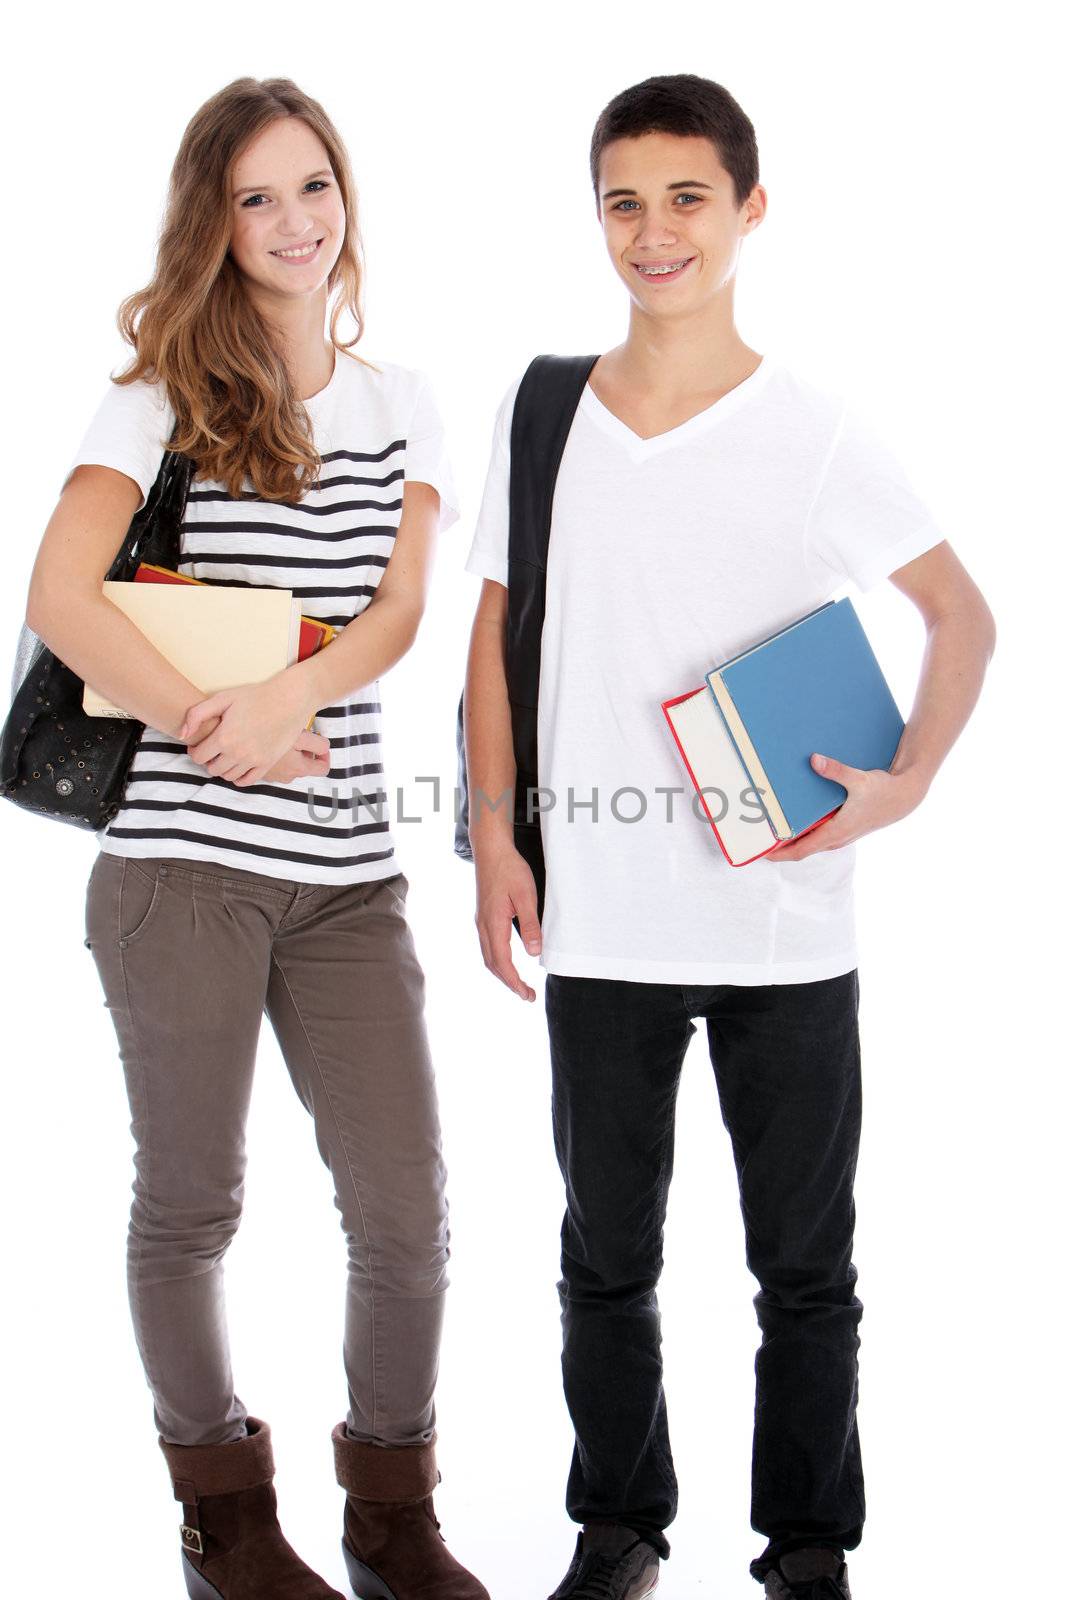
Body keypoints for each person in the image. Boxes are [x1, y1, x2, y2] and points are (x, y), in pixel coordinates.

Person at [462, 73, 995, 1600]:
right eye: (624, 200)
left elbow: (964, 614)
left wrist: (912, 778)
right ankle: (618, 1528)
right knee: (603, 1260)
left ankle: (808, 1549)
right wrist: (498, 846)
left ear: (750, 213)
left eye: (687, 197)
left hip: (784, 922)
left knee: (805, 1275)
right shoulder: (546, 410)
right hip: (604, 920)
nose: (653, 232)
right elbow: (496, 641)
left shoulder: (818, 431)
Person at [25, 76, 488, 1600]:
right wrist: (213, 722)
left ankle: (392, 1512)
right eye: (256, 198)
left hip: (350, 874)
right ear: (212, 225)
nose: (295, 223)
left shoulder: (402, 396)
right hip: (182, 872)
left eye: (314, 187)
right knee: (193, 1203)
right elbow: (63, 597)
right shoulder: (156, 394)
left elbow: (405, 610)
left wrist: (286, 690)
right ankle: (224, 1523)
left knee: (406, 1209)